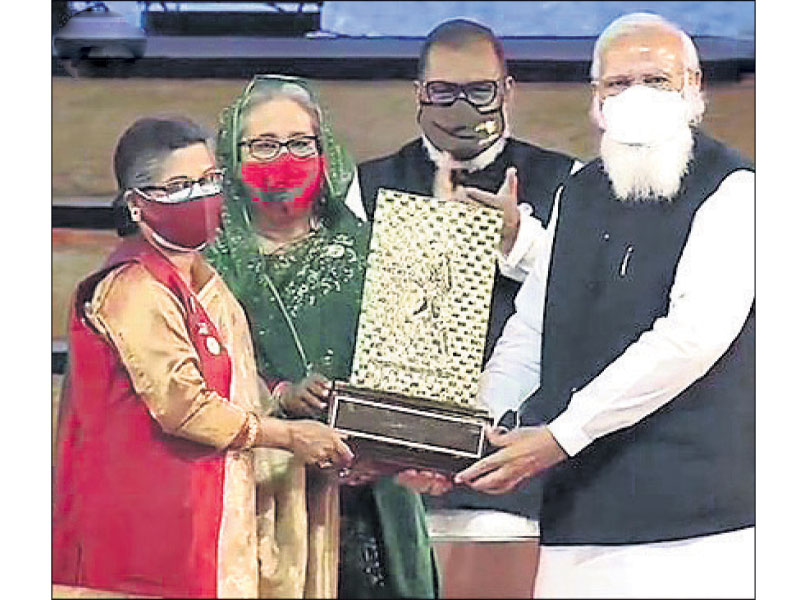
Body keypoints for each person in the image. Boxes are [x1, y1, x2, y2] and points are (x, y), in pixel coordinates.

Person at [454, 13, 755, 598]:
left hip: (703, 528)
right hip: (580, 520)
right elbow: (533, 330)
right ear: (596, 99)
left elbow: (691, 337)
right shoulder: (577, 192)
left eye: (657, 80)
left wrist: (561, 434)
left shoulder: (736, 189)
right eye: (619, 83)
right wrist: (469, 429)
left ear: (694, 89)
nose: (636, 95)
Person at [52, 116, 353, 599]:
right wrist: (289, 436)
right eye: (180, 187)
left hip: (199, 521)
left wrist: (281, 397)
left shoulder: (199, 278)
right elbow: (185, 406)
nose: (203, 197)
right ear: (136, 204)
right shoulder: (134, 288)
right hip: (144, 538)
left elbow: (229, 376)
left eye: (210, 180)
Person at [206, 75, 438, 599]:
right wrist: (279, 395)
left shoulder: (377, 253)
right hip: (259, 499)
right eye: (264, 145)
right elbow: (188, 390)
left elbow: (420, 378)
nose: (283, 158)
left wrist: (384, 445)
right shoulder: (207, 265)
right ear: (232, 158)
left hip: (369, 502)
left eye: (299, 143)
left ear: (324, 149)